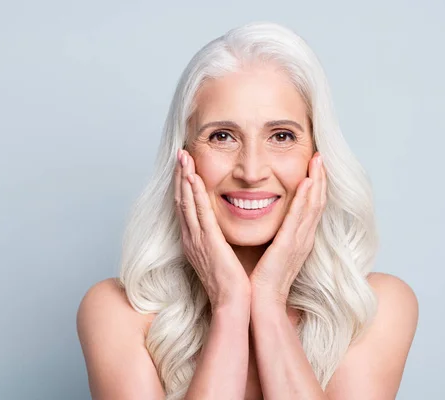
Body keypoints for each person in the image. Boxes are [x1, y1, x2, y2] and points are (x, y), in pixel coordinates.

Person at [77, 21, 419, 400]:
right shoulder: (117, 313)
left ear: (318, 156)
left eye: (282, 136)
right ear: (184, 155)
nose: (252, 171)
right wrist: (229, 306)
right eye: (222, 136)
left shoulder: (374, 308)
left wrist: (269, 301)